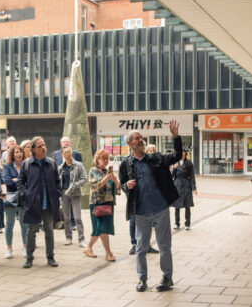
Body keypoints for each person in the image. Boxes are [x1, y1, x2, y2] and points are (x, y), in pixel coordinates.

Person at [119, 120, 183, 292]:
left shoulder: (156, 158)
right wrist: (127, 186)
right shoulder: (125, 164)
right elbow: (122, 184)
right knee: (140, 248)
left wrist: (176, 137)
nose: (141, 140)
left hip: (161, 209)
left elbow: (177, 156)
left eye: (141, 138)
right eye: (137, 138)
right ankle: (142, 279)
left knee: (164, 246)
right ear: (129, 143)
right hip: (141, 213)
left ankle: (167, 278)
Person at [19, 136, 61, 268]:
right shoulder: (26, 164)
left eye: (44, 145)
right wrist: (26, 195)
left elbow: (57, 181)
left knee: (49, 230)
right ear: (33, 150)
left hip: (48, 203)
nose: (43, 148)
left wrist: (57, 192)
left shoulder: (51, 163)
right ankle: (29, 258)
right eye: (39, 146)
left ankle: (50, 257)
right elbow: (20, 183)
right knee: (31, 232)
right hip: (33, 203)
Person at [82, 149, 119, 262]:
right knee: (102, 228)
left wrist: (115, 180)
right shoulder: (93, 171)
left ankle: (88, 247)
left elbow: (117, 189)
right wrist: (107, 178)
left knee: (100, 229)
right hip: (97, 204)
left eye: (107, 159)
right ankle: (108, 253)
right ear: (97, 159)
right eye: (103, 159)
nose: (106, 161)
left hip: (108, 204)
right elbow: (96, 186)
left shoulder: (106, 172)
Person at [1, 145, 27, 259]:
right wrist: (20, 182)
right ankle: (9, 248)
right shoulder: (7, 166)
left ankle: (25, 247)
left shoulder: (26, 165)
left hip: (23, 198)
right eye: (16, 152)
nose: (19, 154)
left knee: (24, 224)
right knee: (9, 224)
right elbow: (6, 181)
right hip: (10, 197)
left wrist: (15, 180)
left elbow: (30, 181)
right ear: (12, 154)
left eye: (20, 152)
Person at [59, 147, 87, 247]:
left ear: (71, 153)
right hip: (64, 195)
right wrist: (60, 190)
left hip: (75, 195)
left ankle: (81, 239)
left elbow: (84, 179)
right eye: (65, 153)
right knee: (66, 218)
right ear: (62, 155)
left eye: (68, 152)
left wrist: (74, 185)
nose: (67, 154)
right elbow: (58, 181)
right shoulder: (61, 167)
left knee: (77, 218)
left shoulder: (79, 165)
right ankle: (68, 237)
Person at [171, 149, 197, 230]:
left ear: (186, 154)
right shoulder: (175, 163)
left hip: (186, 184)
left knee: (187, 205)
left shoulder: (189, 163)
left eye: (183, 153)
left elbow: (192, 176)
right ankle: (176, 223)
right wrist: (174, 168)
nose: (182, 155)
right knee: (177, 206)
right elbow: (172, 176)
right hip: (177, 185)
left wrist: (194, 188)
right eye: (180, 153)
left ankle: (187, 223)